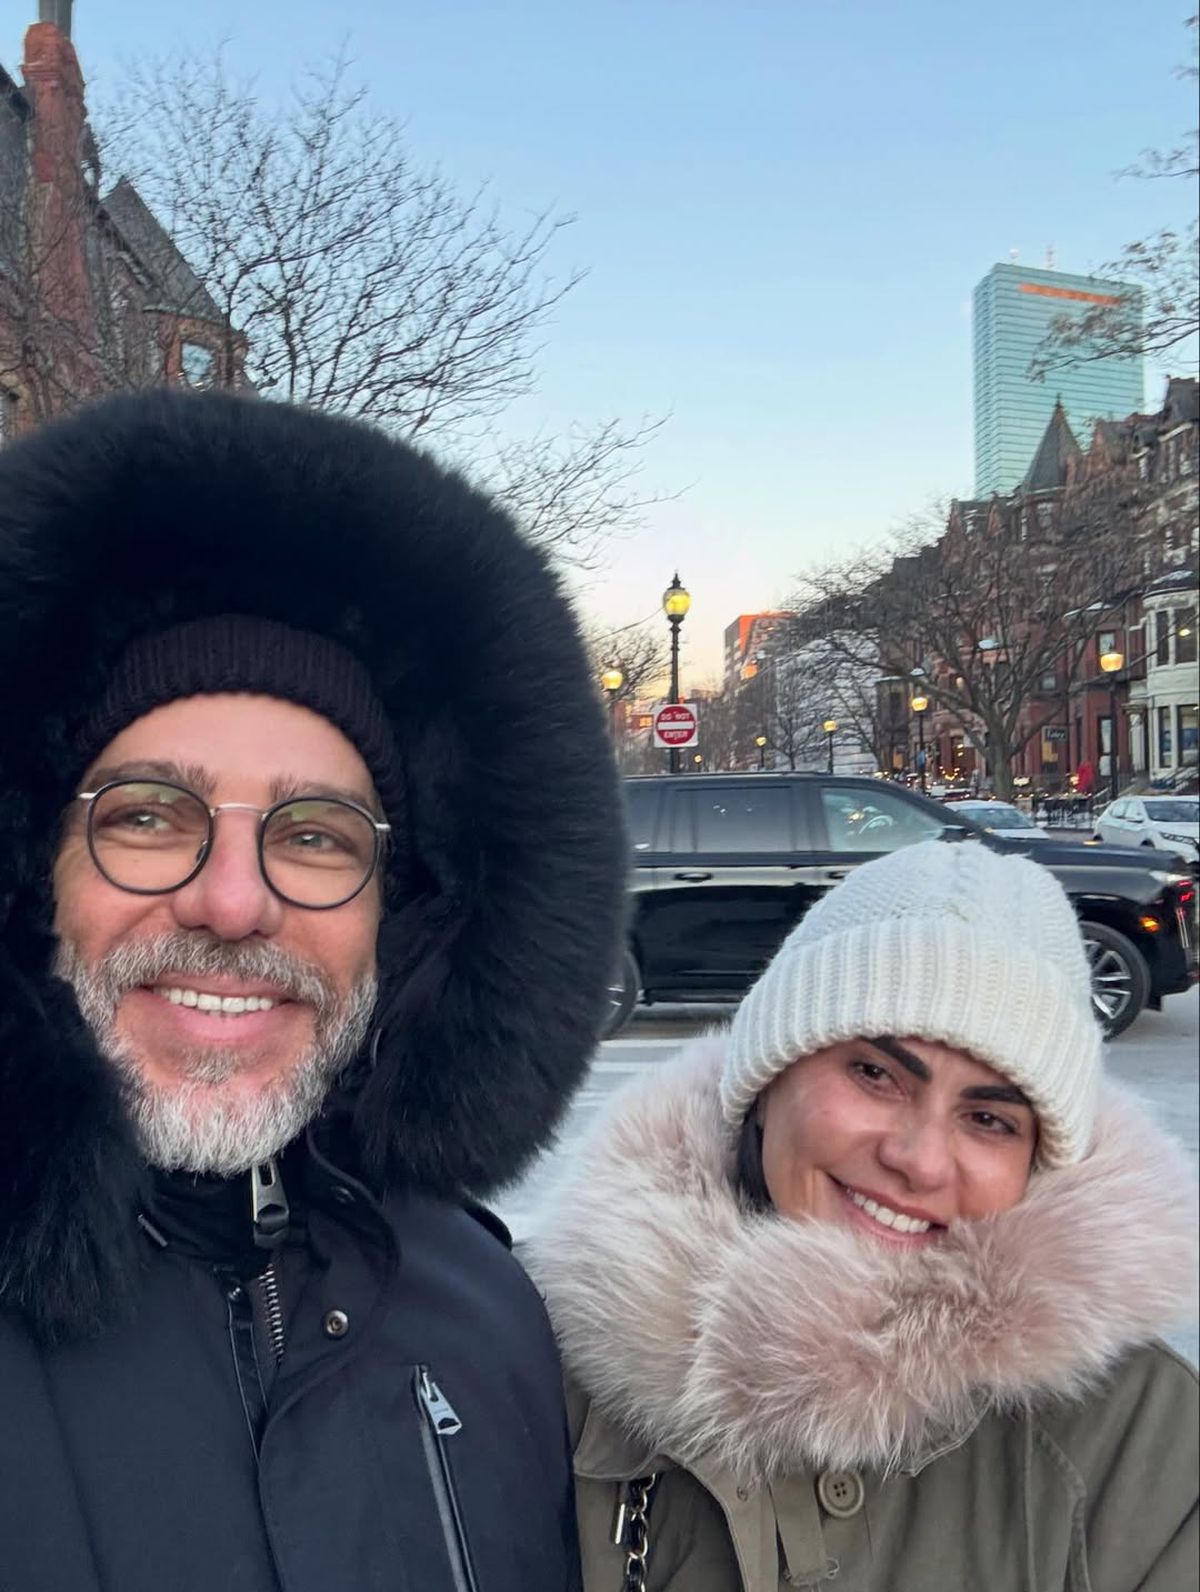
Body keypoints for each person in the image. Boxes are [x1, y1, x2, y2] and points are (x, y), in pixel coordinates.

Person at [0, 388, 626, 1591]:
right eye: (147, 815)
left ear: (404, 909)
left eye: (316, 836)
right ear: (36, 874)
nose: (233, 902)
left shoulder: (492, 1314)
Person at [527, 840, 1198, 1591]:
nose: (920, 1160)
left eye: (989, 1120)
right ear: (766, 1080)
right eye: (875, 1074)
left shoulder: (1143, 1442)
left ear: (1037, 1165)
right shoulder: (526, 1350)